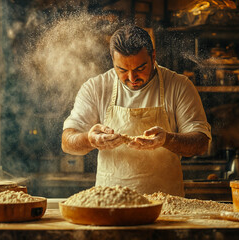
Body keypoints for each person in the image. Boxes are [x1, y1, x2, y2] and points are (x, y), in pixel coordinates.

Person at [61, 25, 211, 197]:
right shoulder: (96, 87)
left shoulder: (179, 86)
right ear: (113, 61)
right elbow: (67, 141)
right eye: (122, 70)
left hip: (166, 207)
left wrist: (167, 139)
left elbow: (201, 144)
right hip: (109, 204)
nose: (132, 78)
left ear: (153, 56)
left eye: (140, 68)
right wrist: (90, 139)